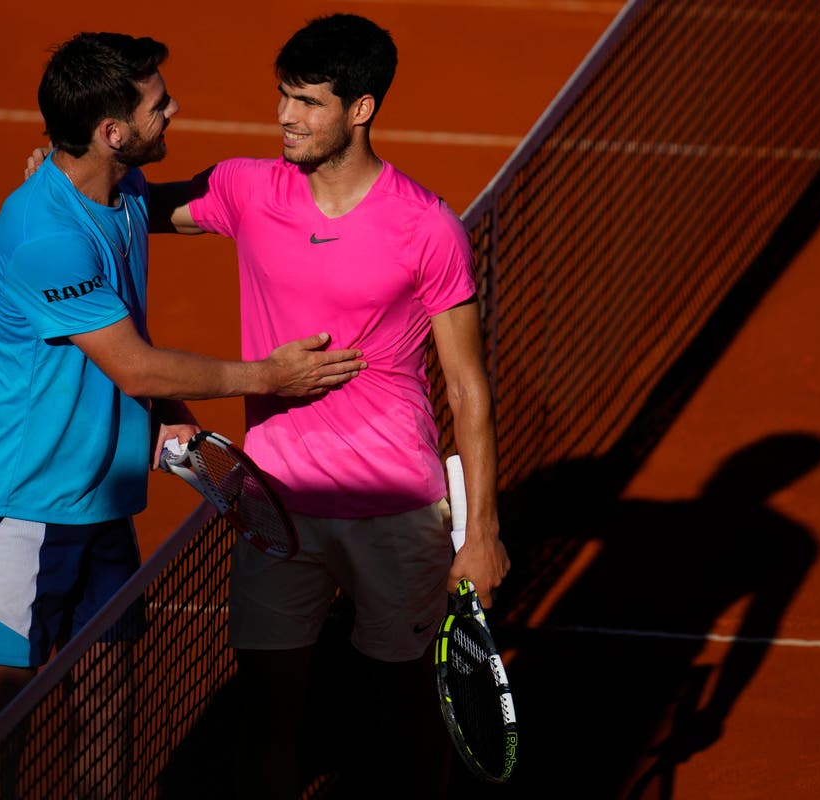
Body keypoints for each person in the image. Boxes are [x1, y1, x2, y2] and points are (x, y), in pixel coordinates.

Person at [0, 30, 367, 765]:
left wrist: (168, 417)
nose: (174, 110)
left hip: (100, 496)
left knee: (111, 709)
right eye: (157, 106)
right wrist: (269, 376)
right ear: (111, 132)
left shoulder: (124, 191)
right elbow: (134, 367)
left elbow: (131, 312)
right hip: (15, 507)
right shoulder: (45, 237)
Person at [148, 13, 511, 798]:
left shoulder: (427, 227)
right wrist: (65, 179)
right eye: (284, 96)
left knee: (411, 712)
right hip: (276, 507)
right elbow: (130, 206)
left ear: (361, 108)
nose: (286, 116)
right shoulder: (246, 190)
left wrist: (481, 533)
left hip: (395, 511)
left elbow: (467, 386)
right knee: (267, 715)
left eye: (309, 102)